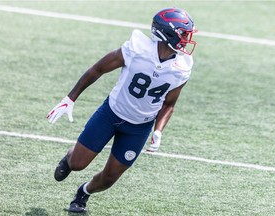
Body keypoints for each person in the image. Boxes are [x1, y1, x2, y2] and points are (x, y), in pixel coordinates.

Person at [46, 7, 197, 213]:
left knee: (109, 179)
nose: (187, 40)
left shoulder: (182, 67)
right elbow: (97, 69)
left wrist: (158, 130)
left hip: (140, 127)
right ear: (167, 33)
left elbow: (169, 103)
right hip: (111, 114)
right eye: (183, 34)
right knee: (77, 163)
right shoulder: (136, 49)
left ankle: (84, 192)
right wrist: (70, 98)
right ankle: (69, 157)